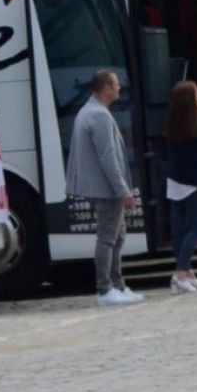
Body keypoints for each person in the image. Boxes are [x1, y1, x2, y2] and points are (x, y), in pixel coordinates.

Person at [68, 69, 143, 307]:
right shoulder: (99, 115)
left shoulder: (87, 111)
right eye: (116, 84)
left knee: (117, 236)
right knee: (108, 238)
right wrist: (123, 190)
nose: (120, 88)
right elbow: (107, 157)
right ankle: (105, 289)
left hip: (102, 187)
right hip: (106, 189)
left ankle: (117, 285)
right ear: (106, 88)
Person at [163, 81, 197, 293]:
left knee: (179, 230)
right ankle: (180, 272)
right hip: (193, 182)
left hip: (175, 180)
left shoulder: (173, 124)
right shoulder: (196, 126)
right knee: (196, 227)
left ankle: (189, 273)